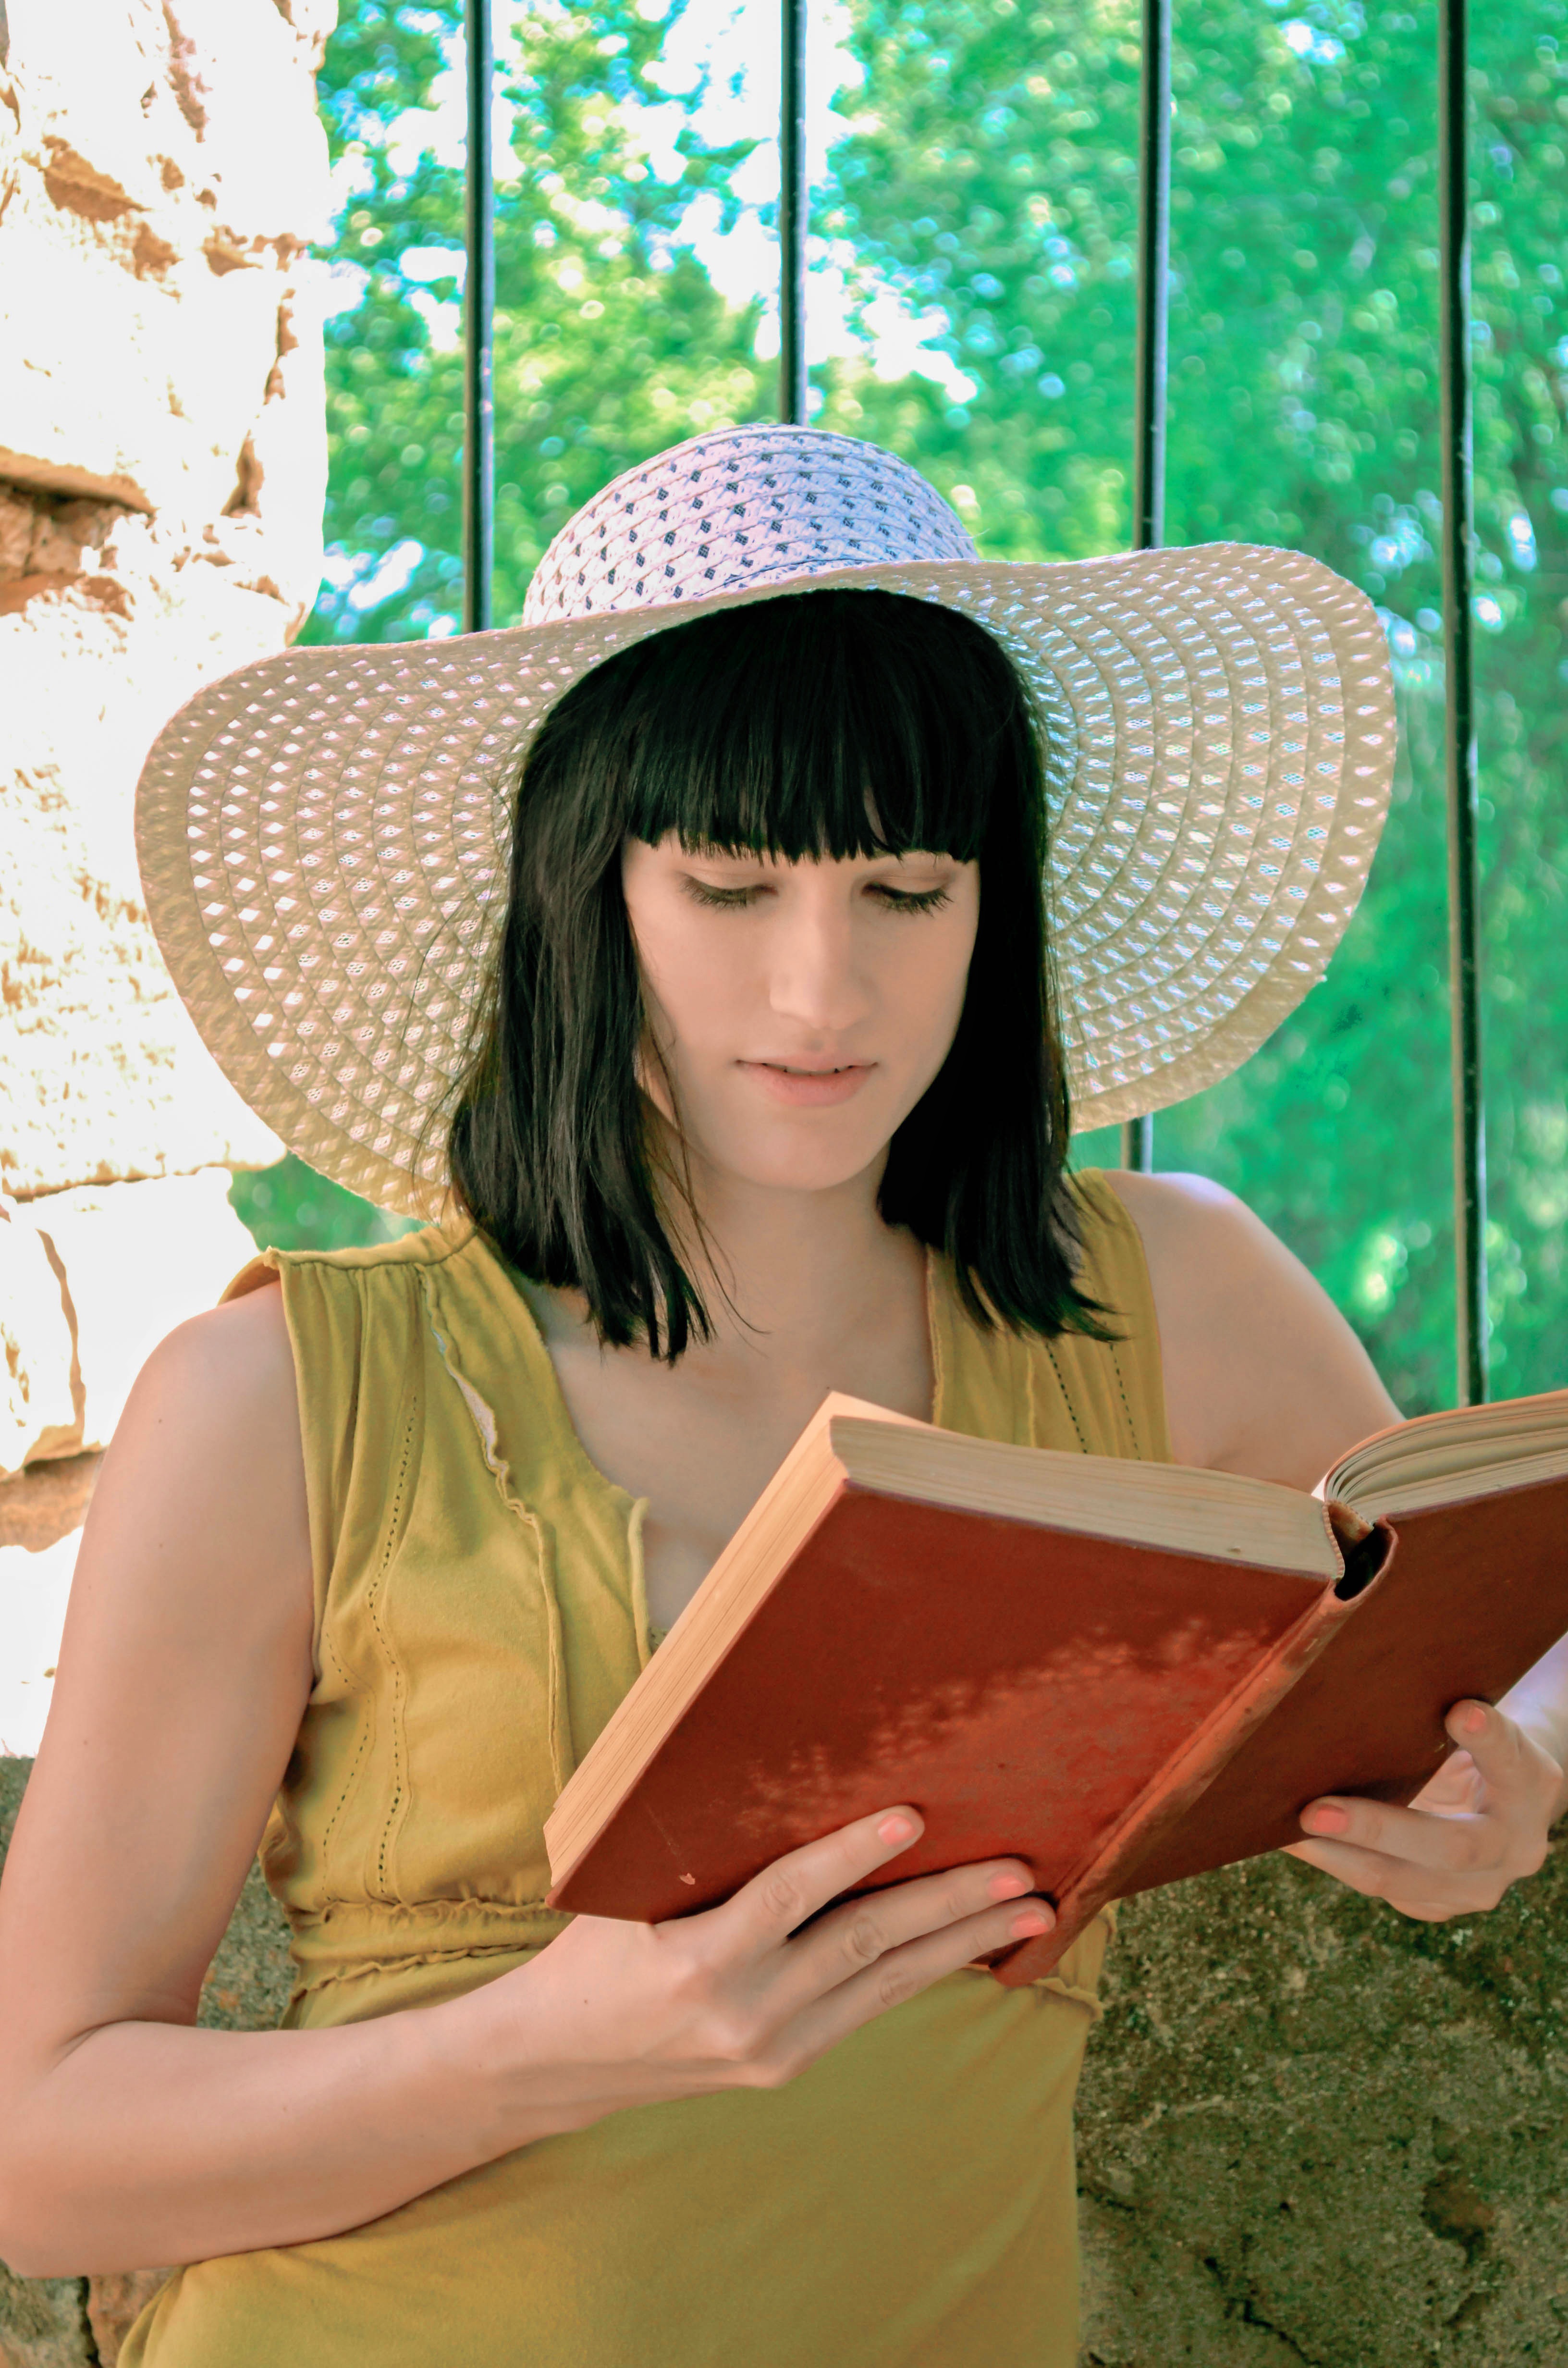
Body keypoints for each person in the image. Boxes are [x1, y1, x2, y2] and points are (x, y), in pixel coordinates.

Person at [0, 427, 1562, 2368]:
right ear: (587, 892)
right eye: (728, 885)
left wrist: (1520, 1781)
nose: (824, 990)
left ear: (997, 903)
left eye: (907, 886)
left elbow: (1495, 1615)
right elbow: (36, 2147)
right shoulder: (280, 1396)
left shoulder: (1173, 1297)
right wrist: (534, 2047)